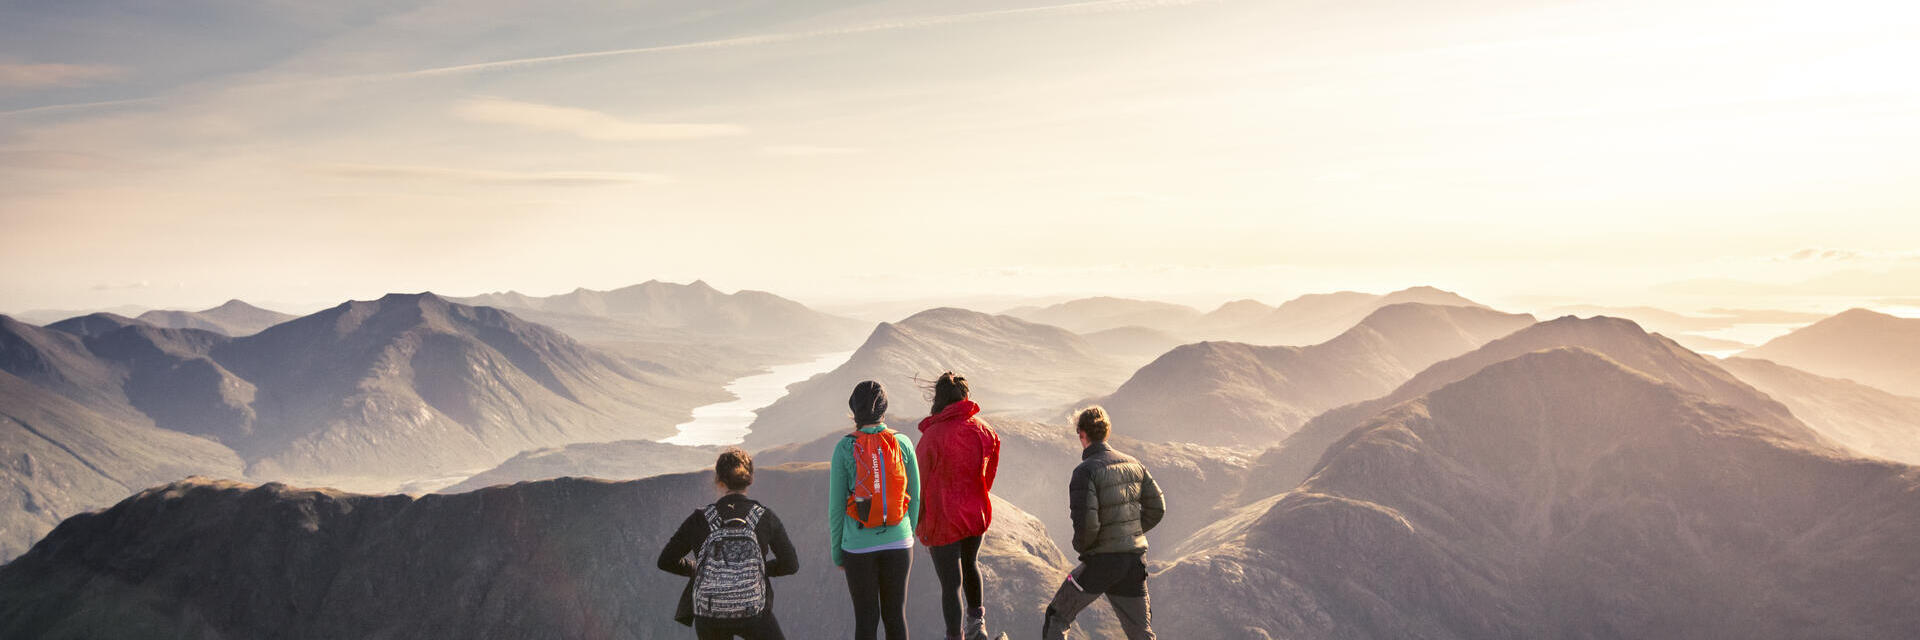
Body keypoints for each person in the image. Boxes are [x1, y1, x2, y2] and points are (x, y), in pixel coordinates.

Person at [1041, 406, 1165, 640]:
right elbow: (1158, 508)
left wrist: (1085, 548)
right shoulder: (1134, 464)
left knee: (1057, 616)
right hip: (1134, 561)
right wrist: (1129, 531)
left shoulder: (1084, 471)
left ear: (1082, 434)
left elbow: (1087, 525)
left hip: (1102, 562)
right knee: (1141, 632)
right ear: (1106, 432)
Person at [658, 448, 800, 640]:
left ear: (719, 480)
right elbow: (791, 565)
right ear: (750, 478)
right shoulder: (765, 517)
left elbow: (666, 560)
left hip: (709, 613)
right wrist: (758, 569)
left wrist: (699, 568)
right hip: (754, 611)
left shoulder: (699, 519)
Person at [830, 380, 923, 640]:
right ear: (884, 410)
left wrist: (838, 553)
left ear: (853, 411)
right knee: (895, 617)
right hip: (899, 542)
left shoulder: (844, 448)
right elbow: (915, 498)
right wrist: (908, 534)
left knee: (866, 620)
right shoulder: (902, 443)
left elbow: (836, 509)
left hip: (858, 546)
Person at [914, 372, 1002, 640]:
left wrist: (918, 522)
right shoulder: (983, 430)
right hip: (975, 514)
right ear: (965, 396)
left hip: (942, 521)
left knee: (951, 584)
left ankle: (955, 636)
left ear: (938, 400)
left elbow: (919, 483)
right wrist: (978, 494)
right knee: (971, 564)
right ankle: (978, 627)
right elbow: (989, 473)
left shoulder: (931, 438)